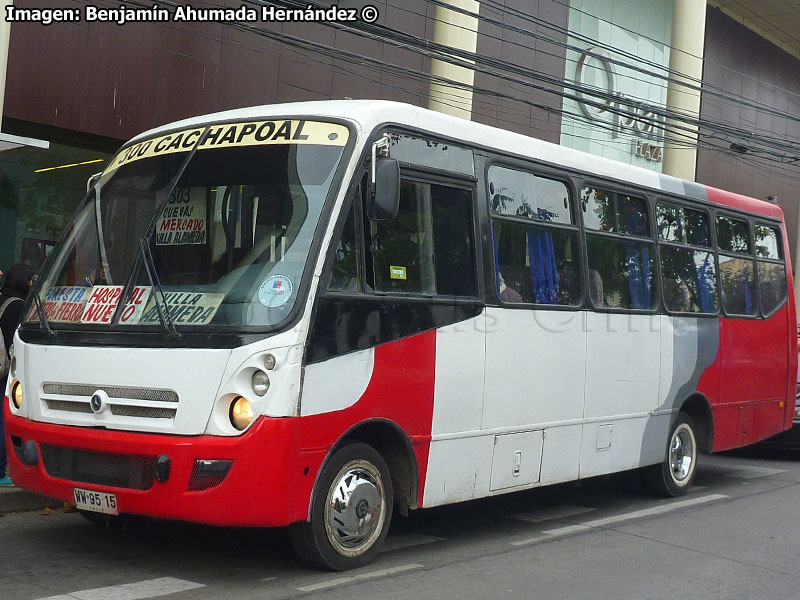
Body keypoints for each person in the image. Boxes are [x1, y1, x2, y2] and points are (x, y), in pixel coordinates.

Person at [0, 263, 35, 486]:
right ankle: (2, 469)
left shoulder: (3, 299)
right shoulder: (18, 306)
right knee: (5, 417)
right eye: (32, 279)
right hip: (6, 370)